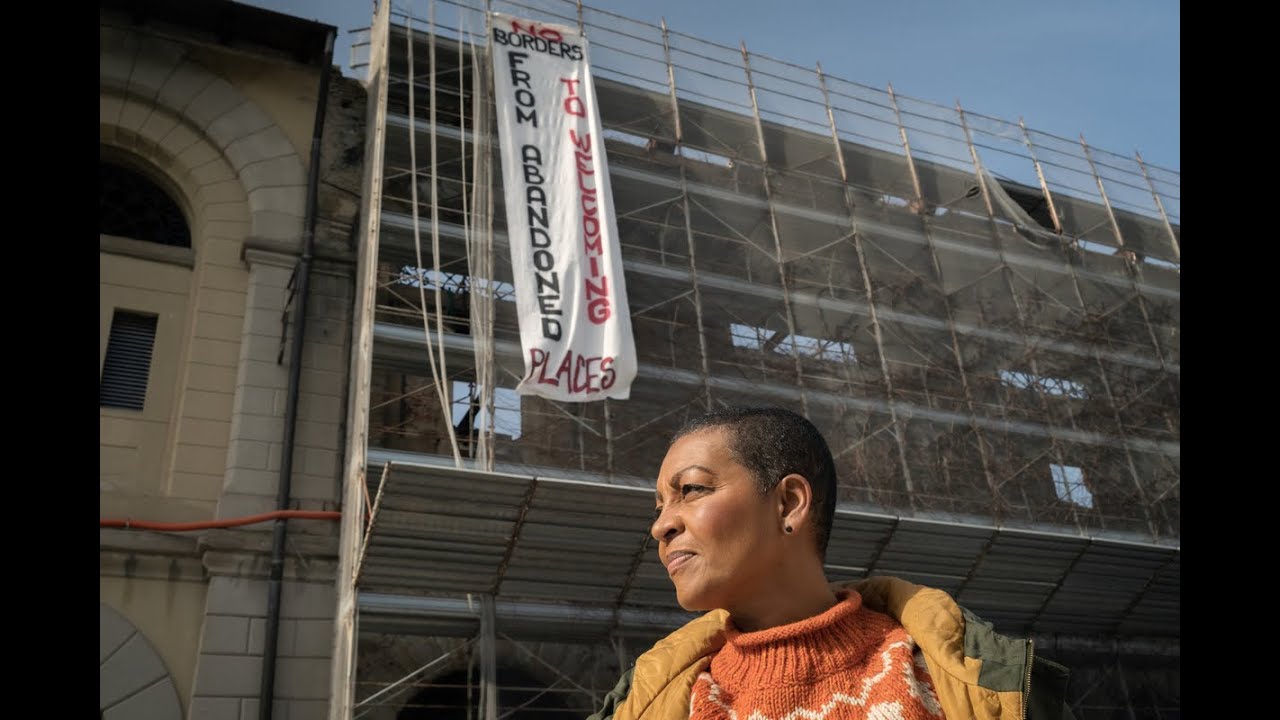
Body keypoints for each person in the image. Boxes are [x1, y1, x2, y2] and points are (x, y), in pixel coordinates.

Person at [588, 406, 1075, 720]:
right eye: (659, 508)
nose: (661, 526)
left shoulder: (960, 678)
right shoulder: (650, 703)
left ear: (789, 503)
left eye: (690, 490)